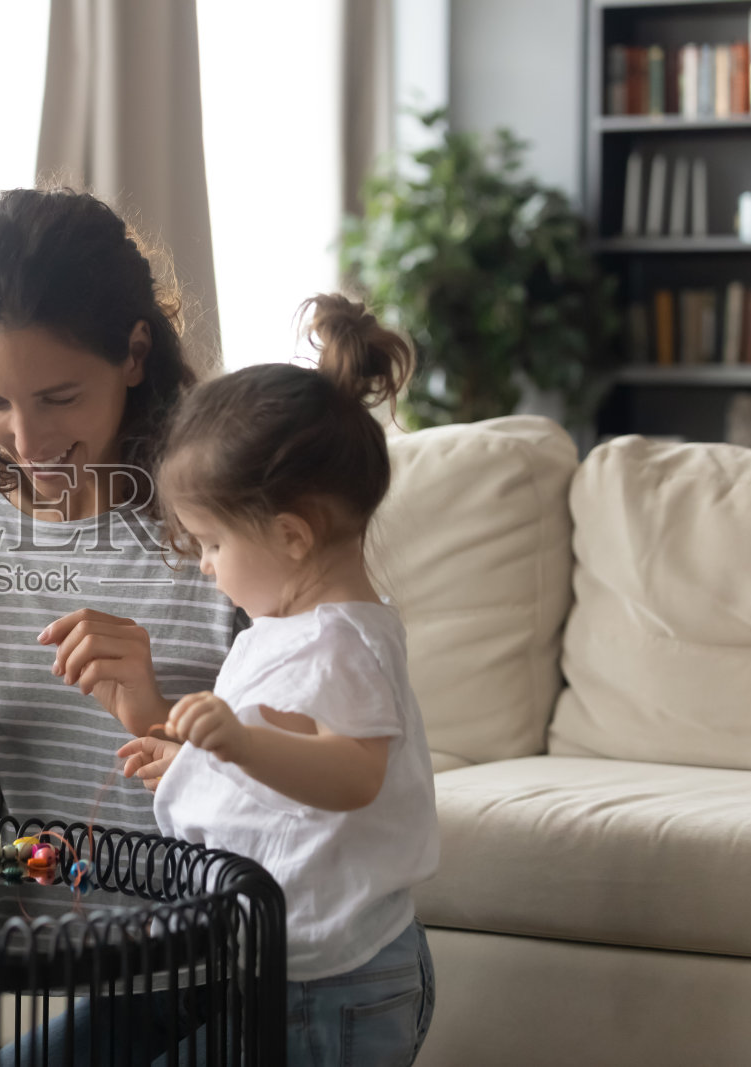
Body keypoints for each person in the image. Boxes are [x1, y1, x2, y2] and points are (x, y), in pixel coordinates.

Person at [120, 294, 438, 1066]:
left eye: (212, 542)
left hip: (334, 978)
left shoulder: (342, 641)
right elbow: (293, 753)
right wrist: (201, 762)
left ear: (291, 535)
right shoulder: (290, 631)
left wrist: (237, 743)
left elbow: (352, 773)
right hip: (291, 963)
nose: (204, 563)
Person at [0, 187, 242, 837]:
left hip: (186, 932)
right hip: (12, 938)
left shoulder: (228, 530)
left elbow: (291, 816)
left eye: (59, 397)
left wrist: (154, 713)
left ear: (134, 354)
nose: (27, 439)